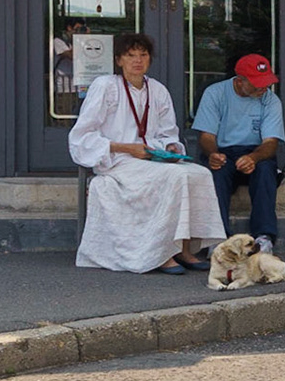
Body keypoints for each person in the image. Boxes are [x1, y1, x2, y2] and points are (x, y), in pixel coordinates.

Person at [68, 32, 227, 274]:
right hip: (118, 160)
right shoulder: (105, 86)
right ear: (119, 60)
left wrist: (172, 147)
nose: (137, 61)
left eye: (143, 55)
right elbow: (82, 136)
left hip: (152, 158)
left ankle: (184, 249)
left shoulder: (157, 90)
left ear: (150, 59)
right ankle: (161, 253)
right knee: (174, 177)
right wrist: (125, 147)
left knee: (199, 174)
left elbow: (168, 132)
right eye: (131, 55)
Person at [192, 52, 285, 251]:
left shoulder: (271, 100)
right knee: (216, 171)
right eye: (256, 83)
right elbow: (206, 137)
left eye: (266, 82)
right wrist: (213, 154)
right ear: (239, 81)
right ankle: (217, 238)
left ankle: (264, 237)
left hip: (255, 151)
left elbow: (270, 142)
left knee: (266, 169)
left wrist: (253, 157)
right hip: (223, 150)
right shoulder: (215, 93)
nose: (263, 87)